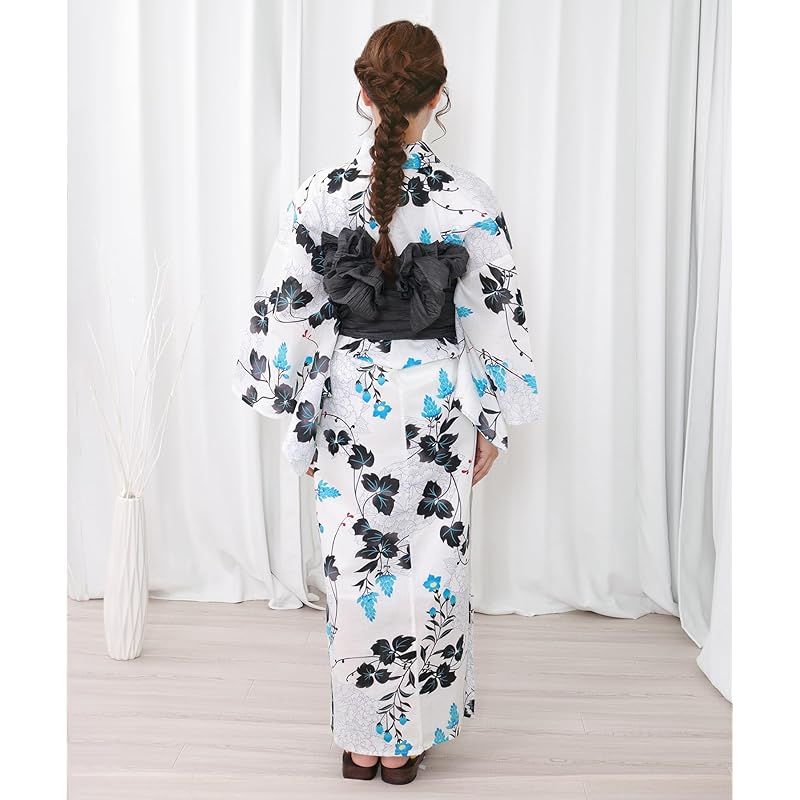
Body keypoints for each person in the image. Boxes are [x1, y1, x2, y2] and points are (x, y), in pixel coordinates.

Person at [233, 19, 540, 785]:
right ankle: (406, 743)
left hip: (351, 403)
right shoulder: (467, 199)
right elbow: (494, 318)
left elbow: (288, 310)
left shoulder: (321, 193)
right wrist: (493, 420)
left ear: (364, 96)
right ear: (439, 97)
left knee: (354, 567)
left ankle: (362, 740)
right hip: (439, 402)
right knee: (431, 563)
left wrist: (301, 420)